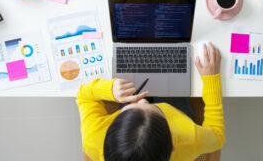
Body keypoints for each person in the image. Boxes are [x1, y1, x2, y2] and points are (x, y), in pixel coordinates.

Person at [77, 43, 225, 161]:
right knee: (174, 85)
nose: (142, 101)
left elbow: (83, 95)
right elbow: (218, 136)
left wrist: (110, 89)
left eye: (131, 109)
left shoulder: (93, 138)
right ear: (173, 145)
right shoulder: (189, 138)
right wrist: (212, 79)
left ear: (110, 131)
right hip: (178, 115)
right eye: (156, 111)